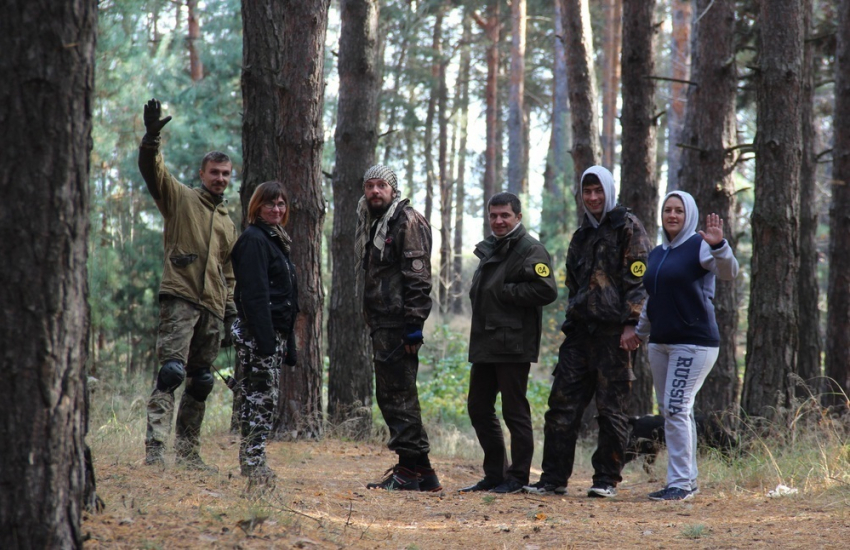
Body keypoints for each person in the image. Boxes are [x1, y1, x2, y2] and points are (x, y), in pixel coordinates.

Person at [524, 165, 651, 498]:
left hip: (616, 336)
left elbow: (639, 283)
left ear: (609, 192)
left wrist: (630, 325)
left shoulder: (629, 227)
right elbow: (572, 284)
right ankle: (552, 479)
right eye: (587, 192)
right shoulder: (581, 235)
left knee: (611, 412)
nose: (593, 198)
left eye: (598, 191)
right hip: (580, 335)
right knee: (561, 407)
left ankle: (606, 480)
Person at [139, 98, 238, 470]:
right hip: (180, 298)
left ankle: (187, 454)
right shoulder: (180, 199)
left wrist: (231, 316)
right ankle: (155, 452)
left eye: (226, 173)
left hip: (212, 308)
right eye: (214, 172)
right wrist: (151, 140)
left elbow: (228, 275)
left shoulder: (229, 223)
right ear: (202, 173)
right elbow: (153, 172)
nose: (220, 179)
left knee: (200, 381)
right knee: (171, 374)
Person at [636, 190, 739, 501]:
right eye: (667, 210)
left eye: (678, 210)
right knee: (672, 410)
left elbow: (729, 271)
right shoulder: (655, 254)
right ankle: (685, 480)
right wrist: (638, 333)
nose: (672, 215)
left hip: (693, 343)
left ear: (688, 214)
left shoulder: (701, 247)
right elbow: (651, 300)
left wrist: (719, 244)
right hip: (661, 343)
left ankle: (680, 484)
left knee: (677, 407)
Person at [460, 192, 558, 494]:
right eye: (493, 215)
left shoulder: (530, 249)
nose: (498, 221)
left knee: (515, 411)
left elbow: (546, 290)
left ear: (518, 217)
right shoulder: (493, 247)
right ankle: (495, 474)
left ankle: (517, 478)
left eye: (505, 215)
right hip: (487, 341)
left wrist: (505, 292)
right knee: (478, 407)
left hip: (513, 343)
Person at [355, 164, 441, 492]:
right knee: (394, 394)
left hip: (398, 323)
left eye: (381, 186)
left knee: (397, 396)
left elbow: (418, 276)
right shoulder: (376, 222)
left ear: (393, 190)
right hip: (383, 322)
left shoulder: (407, 221)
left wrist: (414, 326)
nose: (375, 191)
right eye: (370, 186)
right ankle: (424, 473)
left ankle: (408, 470)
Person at [230, 181, 299, 484]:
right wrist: (265, 340)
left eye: (281, 204)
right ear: (256, 207)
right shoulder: (254, 240)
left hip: (274, 334)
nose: (276, 209)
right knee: (258, 401)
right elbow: (254, 295)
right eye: (269, 204)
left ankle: (255, 460)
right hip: (260, 335)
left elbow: (285, 296)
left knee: (263, 400)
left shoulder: (276, 240)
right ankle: (253, 464)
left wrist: (286, 343)